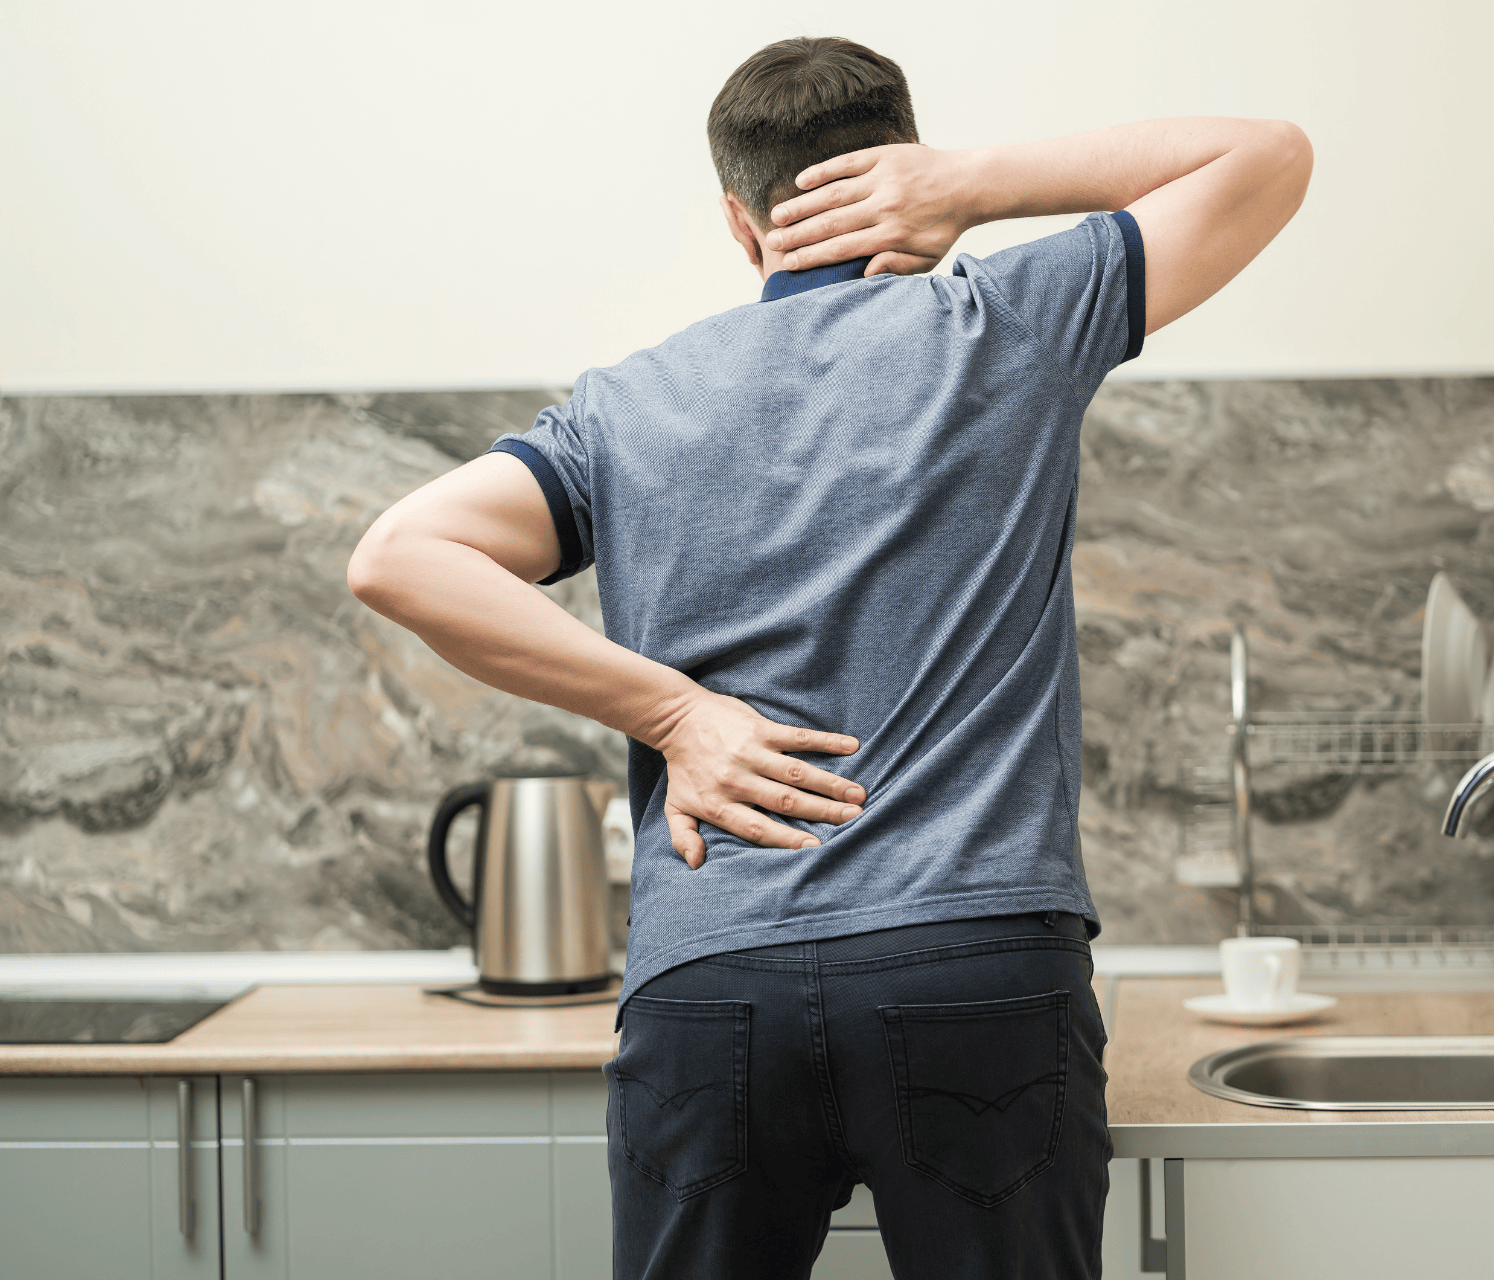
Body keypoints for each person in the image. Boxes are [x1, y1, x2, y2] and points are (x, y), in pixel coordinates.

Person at [348, 35, 1310, 1280]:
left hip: (713, 981)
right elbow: (1269, 157)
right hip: (975, 966)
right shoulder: (1008, 320)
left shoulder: (629, 405)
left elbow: (397, 554)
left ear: (740, 227)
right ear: (908, 173)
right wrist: (974, 185)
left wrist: (676, 713)